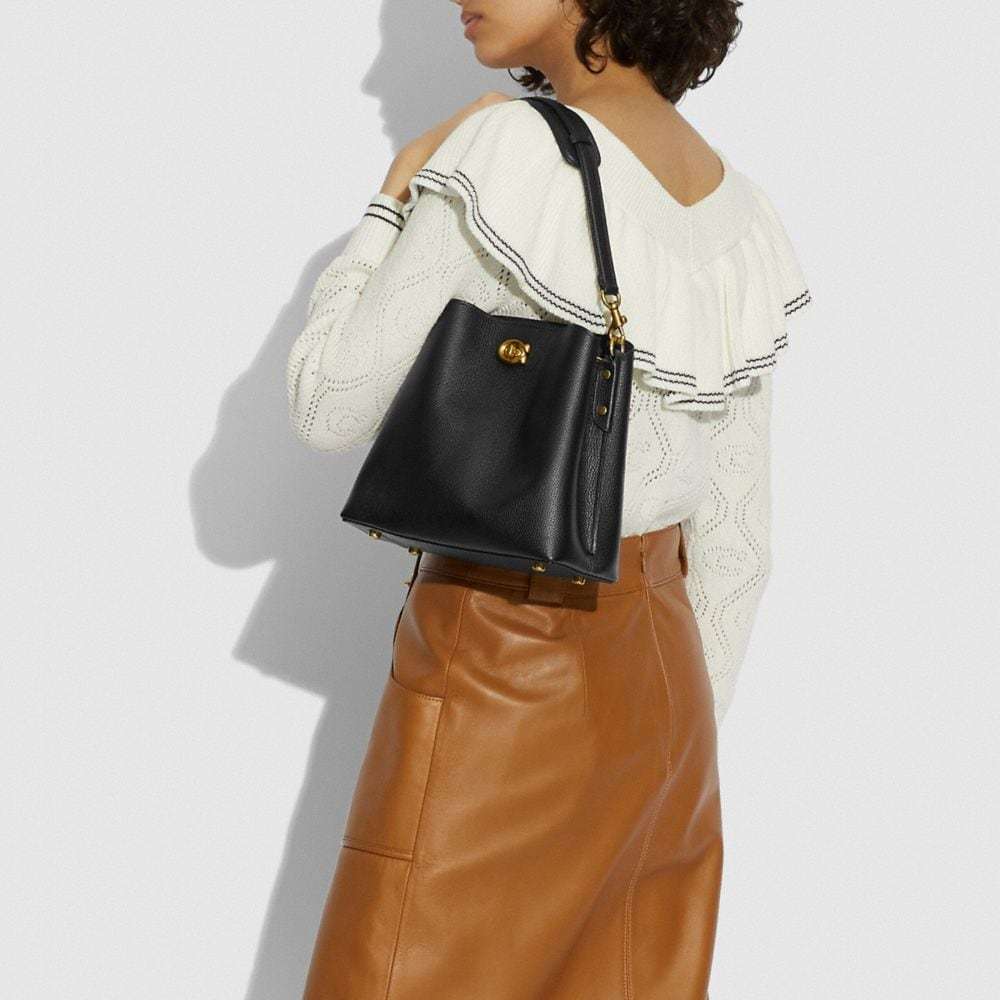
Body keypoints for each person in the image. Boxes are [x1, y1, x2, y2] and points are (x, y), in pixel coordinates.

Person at [286, 2, 811, 996]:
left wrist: (394, 194)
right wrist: (660, 744)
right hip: (665, 693)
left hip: (499, 661)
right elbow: (737, 543)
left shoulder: (511, 152)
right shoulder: (739, 212)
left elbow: (327, 403)